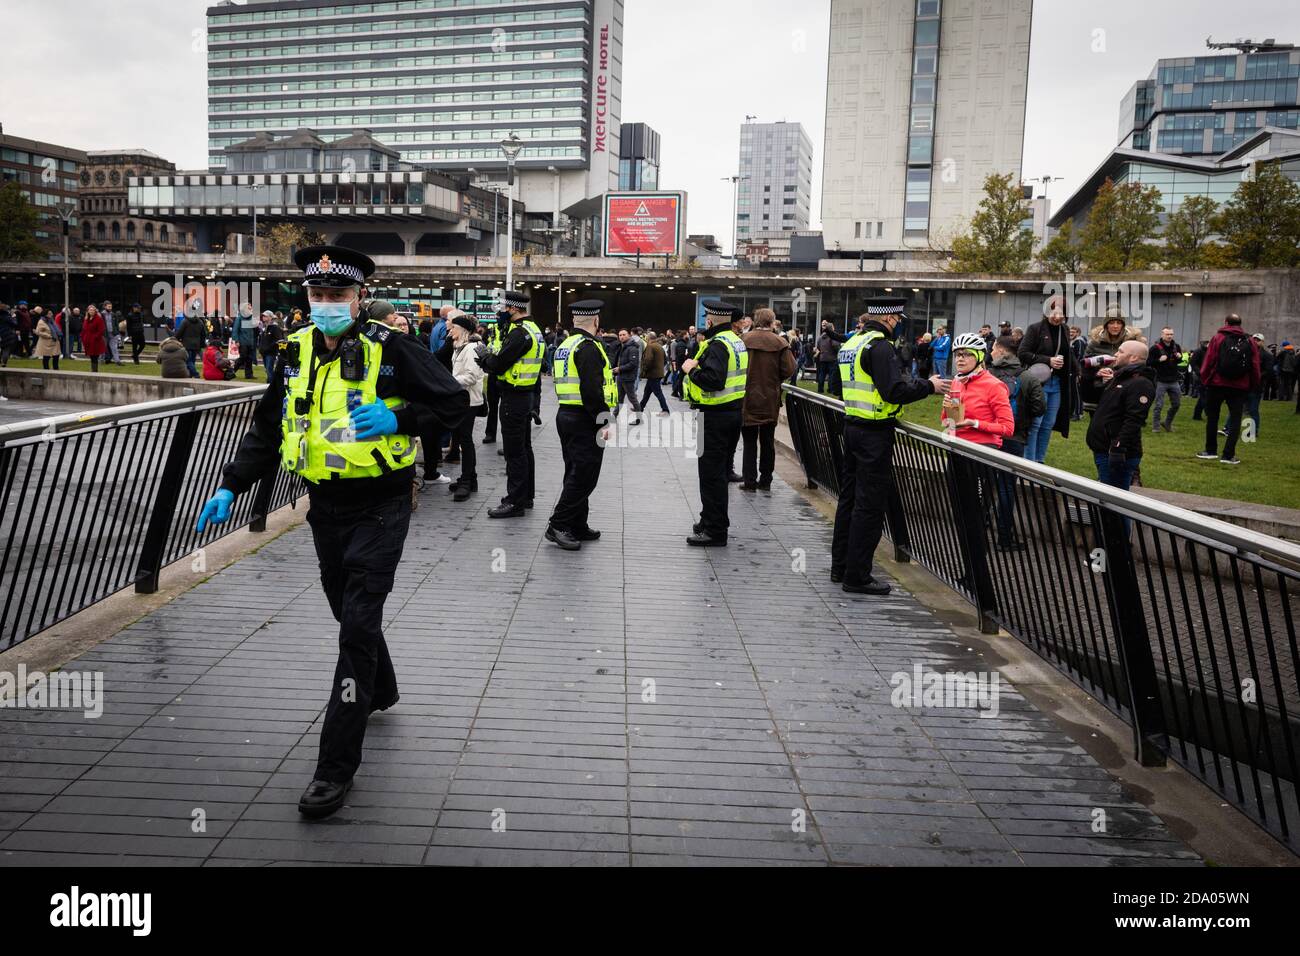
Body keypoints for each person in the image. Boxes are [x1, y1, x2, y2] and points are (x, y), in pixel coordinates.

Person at [195, 244, 468, 819]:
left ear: (358, 297)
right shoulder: (292, 352)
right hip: (324, 505)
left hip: (382, 504)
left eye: (337, 295)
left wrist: (400, 418)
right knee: (347, 611)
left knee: (355, 630)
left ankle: (334, 770)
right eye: (317, 295)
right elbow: (270, 427)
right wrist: (230, 485)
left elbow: (456, 405)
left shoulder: (392, 349)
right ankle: (382, 689)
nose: (326, 304)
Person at [831, 298, 945, 594]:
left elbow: (837, 386)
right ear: (890, 319)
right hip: (874, 433)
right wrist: (929, 386)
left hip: (852, 425)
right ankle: (857, 576)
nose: (898, 324)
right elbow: (894, 390)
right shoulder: (880, 346)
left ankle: (840, 566)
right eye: (898, 319)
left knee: (849, 500)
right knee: (869, 506)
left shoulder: (852, 343)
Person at [547, 300, 618, 550]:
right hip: (584, 417)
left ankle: (577, 523)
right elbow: (591, 389)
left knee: (575, 471)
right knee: (585, 475)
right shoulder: (589, 347)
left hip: (566, 414)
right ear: (596, 321)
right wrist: (603, 420)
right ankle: (559, 524)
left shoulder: (565, 345)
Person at [681, 300, 748, 546]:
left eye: (706, 317)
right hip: (731, 413)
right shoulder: (735, 340)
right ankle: (708, 519)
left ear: (710, 320)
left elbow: (714, 380)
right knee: (717, 473)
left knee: (711, 475)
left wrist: (690, 370)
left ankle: (715, 530)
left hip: (714, 416)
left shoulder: (718, 344)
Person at [478, 290, 542, 517]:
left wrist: (484, 355)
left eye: (503, 309)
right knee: (525, 449)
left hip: (513, 398)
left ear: (514, 309)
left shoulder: (519, 333)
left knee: (514, 453)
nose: (500, 313)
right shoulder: (533, 329)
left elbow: (497, 364)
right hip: (524, 396)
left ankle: (514, 501)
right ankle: (526, 497)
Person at [740, 308, 796, 492]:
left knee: (749, 442)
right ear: (772, 322)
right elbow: (789, 369)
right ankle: (766, 480)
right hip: (770, 397)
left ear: (755, 321)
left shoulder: (743, 340)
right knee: (767, 441)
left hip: (746, 397)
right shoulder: (779, 342)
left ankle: (749, 481)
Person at [1087, 341, 1155, 492]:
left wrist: (1118, 448)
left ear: (1133, 358)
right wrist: (1093, 375)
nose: (1116, 354)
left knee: (1113, 503)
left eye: (1120, 351)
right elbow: (1090, 397)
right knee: (1108, 501)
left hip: (1116, 453)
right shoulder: (1120, 378)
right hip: (1103, 448)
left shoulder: (1141, 383)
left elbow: (1134, 420)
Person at [1018, 297, 1078, 463]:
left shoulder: (1065, 330)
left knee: (1048, 424)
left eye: (1061, 313)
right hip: (1038, 382)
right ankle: (1028, 461)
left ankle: (1040, 461)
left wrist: (1078, 370)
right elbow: (1022, 353)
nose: (1057, 317)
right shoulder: (1035, 329)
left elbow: (1068, 354)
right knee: (1035, 423)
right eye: (1054, 312)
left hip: (1057, 383)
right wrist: (1048, 360)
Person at [1196, 314, 1259, 466]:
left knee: (1212, 417)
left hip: (1217, 383)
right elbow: (1255, 364)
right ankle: (1228, 455)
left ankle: (1210, 451)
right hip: (1239, 386)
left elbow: (1209, 360)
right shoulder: (1249, 341)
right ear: (1240, 324)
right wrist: (1253, 384)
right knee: (1236, 419)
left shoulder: (1218, 338)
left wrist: (1205, 379)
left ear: (1225, 322)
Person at [447, 313, 484, 502]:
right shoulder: (460, 347)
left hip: (469, 400)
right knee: (463, 439)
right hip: (463, 399)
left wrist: (449, 381)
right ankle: (469, 478)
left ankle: (467, 481)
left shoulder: (470, 349)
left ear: (462, 330)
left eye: (453, 327)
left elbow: (471, 377)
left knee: (465, 440)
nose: (449, 330)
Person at [1147, 326, 1184, 433]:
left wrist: (1179, 358)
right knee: (1158, 405)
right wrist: (1159, 360)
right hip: (1160, 380)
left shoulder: (1176, 347)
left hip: (1173, 380)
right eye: (1167, 334)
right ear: (1162, 335)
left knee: (1176, 404)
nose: (1169, 336)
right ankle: (1156, 427)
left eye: (1171, 334)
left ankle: (1167, 423)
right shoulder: (1155, 348)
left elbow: (1178, 362)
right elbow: (1148, 363)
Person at [613, 328, 642, 425]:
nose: (621, 337)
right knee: (619, 399)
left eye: (624, 334)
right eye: (620, 335)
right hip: (621, 377)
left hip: (628, 378)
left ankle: (639, 419)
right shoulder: (623, 346)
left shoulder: (632, 348)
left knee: (632, 398)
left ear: (629, 335)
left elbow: (633, 364)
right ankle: (614, 417)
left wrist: (620, 369)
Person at [639, 331, 670, 415]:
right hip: (657, 373)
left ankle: (665, 410)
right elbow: (665, 360)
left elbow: (648, 360)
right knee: (647, 392)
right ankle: (640, 407)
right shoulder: (659, 346)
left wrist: (644, 370)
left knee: (658, 392)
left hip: (653, 374)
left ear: (648, 338)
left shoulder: (650, 346)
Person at [176, 308, 205, 378]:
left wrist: (176, 339)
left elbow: (180, 332)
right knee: (192, 360)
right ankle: (190, 374)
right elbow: (203, 334)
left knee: (188, 361)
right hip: (196, 344)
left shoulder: (185, 321)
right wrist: (201, 344)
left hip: (187, 344)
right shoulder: (200, 322)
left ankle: (195, 374)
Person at [257, 311, 285, 380]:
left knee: (269, 369)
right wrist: (260, 348)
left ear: (270, 317)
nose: (263, 317)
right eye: (263, 316)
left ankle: (271, 385)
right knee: (267, 369)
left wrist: (269, 347)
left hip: (271, 352)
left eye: (265, 316)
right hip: (264, 352)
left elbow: (278, 339)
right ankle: (269, 383)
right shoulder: (264, 327)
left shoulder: (275, 327)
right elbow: (261, 339)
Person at [81, 304, 107, 373]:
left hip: (96, 342)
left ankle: (95, 371)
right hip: (88, 341)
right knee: (91, 357)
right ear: (88, 311)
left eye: (93, 310)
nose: (91, 311)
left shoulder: (99, 319)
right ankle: (93, 371)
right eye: (90, 310)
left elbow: (101, 330)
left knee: (95, 357)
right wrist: (83, 337)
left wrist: (95, 337)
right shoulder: (86, 319)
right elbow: (84, 329)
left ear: (95, 311)